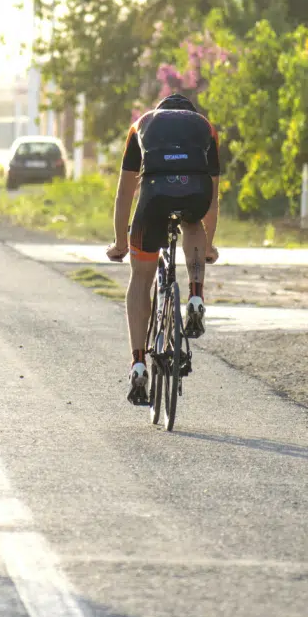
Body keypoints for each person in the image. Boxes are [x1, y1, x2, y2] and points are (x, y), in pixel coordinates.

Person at [105, 94, 221, 405]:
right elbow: (213, 198)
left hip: (153, 195)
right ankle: (196, 293)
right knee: (193, 222)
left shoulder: (141, 124)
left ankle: (139, 362)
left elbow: (124, 193)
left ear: (161, 111)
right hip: (195, 191)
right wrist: (208, 245)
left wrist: (119, 242)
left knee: (141, 279)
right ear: (189, 113)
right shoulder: (205, 127)